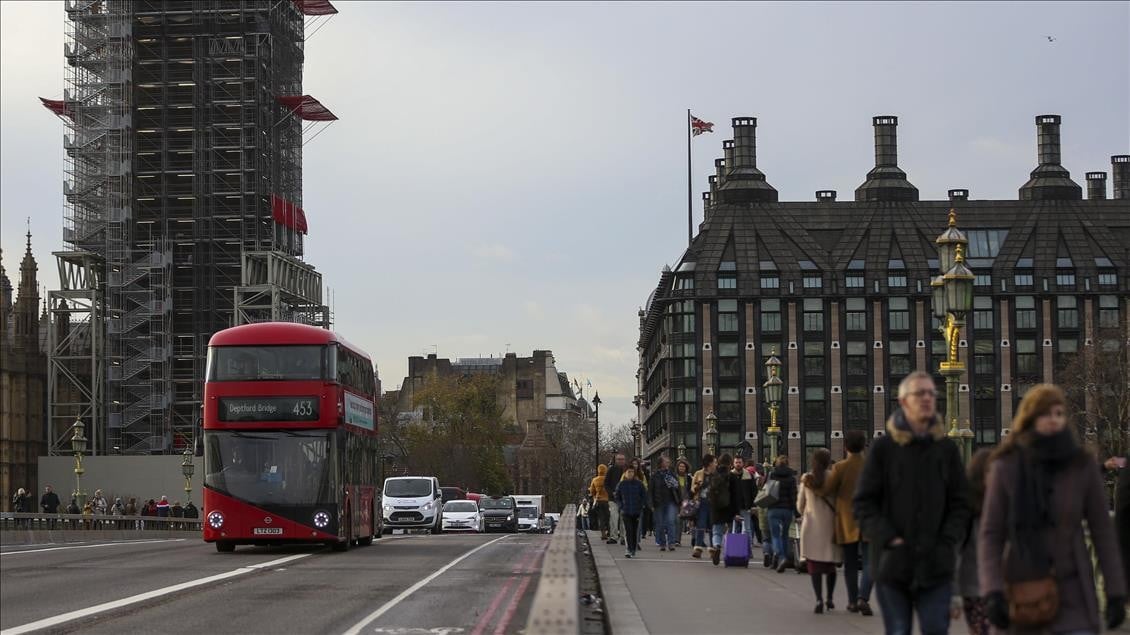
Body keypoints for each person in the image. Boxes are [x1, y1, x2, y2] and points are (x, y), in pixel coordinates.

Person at [979, 384, 1126, 635]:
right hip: (1023, 592)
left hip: (1074, 594)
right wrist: (992, 592)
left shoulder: (1082, 465)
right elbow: (991, 534)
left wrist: (1115, 592)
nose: (1054, 420)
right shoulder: (1006, 466)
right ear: (1030, 417)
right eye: (1046, 414)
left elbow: (1102, 531)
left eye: (1059, 413)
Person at [854, 371, 970, 635]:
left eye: (931, 393)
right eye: (920, 393)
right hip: (893, 564)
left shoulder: (946, 449)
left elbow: (961, 502)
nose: (928, 398)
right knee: (898, 630)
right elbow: (863, 503)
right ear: (904, 401)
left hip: (936, 563)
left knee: (935, 628)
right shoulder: (884, 449)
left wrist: (948, 538)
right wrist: (888, 538)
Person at [814, 429, 872, 615]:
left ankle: (853, 601)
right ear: (864, 445)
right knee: (871, 562)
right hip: (870, 519)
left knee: (851, 563)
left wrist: (811, 485)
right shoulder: (873, 467)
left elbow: (827, 490)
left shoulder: (840, 467)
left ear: (845, 446)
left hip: (847, 520)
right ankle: (864, 597)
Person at [953, 448, 992, 635]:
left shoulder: (1004, 502)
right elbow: (956, 550)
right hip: (975, 587)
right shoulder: (968, 508)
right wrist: (953, 594)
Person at [799, 448, 842, 614]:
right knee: (830, 564)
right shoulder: (834, 477)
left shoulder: (806, 478)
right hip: (830, 525)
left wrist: (805, 513)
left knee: (814, 565)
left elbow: (800, 504)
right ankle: (830, 598)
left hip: (812, 525)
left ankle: (819, 599)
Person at [706, 453, 741, 566]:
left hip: (716, 508)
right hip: (729, 508)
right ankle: (729, 553)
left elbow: (709, 494)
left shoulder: (713, 476)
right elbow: (736, 496)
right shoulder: (732, 477)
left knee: (717, 531)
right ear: (731, 464)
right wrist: (736, 512)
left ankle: (716, 546)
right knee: (731, 531)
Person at [766, 455, 799, 572]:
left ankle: (779, 554)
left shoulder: (772, 475)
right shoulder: (791, 478)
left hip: (774, 509)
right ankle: (782, 559)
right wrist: (797, 513)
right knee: (784, 535)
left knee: (775, 535)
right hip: (787, 510)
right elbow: (794, 497)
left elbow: (767, 491)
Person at [614, 465, 648, 558]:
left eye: (632, 472)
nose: (630, 474)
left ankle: (633, 547)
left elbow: (644, 496)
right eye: (628, 472)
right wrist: (621, 506)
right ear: (625, 473)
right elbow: (617, 496)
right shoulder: (621, 484)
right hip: (626, 511)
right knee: (628, 530)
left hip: (637, 511)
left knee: (634, 530)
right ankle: (628, 549)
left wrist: (641, 505)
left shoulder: (639, 484)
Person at [649, 456, 680, 551]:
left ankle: (671, 543)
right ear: (661, 463)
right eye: (666, 462)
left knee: (671, 522)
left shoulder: (672, 475)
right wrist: (651, 504)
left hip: (671, 501)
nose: (668, 463)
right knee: (660, 524)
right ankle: (662, 543)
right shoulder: (655, 476)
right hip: (659, 502)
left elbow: (677, 488)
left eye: (668, 462)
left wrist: (680, 501)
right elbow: (651, 490)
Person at [690, 454, 716, 559]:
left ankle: (712, 549)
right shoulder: (698, 473)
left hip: (713, 503)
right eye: (714, 462)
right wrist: (697, 485)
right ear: (709, 463)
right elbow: (692, 489)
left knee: (711, 526)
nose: (716, 464)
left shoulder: (716, 474)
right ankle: (698, 548)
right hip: (701, 503)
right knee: (701, 525)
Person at [732, 456, 756, 551]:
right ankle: (735, 550)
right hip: (734, 507)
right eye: (736, 462)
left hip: (746, 506)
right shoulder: (730, 476)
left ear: (743, 463)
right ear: (733, 464)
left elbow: (753, 491)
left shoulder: (749, 476)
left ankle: (748, 550)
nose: (738, 464)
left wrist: (754, 505)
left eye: (739, 462)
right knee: (735, 530)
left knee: (747, 529)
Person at [603, 454, 626, 545]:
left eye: (622, 459)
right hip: (613, 498)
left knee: (623, 519)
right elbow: (606, 483)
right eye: (619, 459)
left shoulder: (627, 470)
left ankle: (623, 537)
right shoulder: (611, 470)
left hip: (625, 498)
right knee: (614, 517)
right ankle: (613, 536)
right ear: (615, 460)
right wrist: (611, 492)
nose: (621, 461)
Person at [588, 464, 610, 541]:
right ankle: (610, 531)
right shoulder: (608, 479)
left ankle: (603, 534)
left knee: (601, 518)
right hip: (608, 500)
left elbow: (592, 491)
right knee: (608, 517)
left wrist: (594, 496)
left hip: (599, 500)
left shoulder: (595, 480)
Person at [675, 459, 693, 544]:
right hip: (677, 500)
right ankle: (677, 540)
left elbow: (691, 489)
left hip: (686, 501)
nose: (682, 468)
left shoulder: (689, 478)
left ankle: (695, 539)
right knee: (678, 520)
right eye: (680, 466)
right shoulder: (675, 477)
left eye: (683, 467)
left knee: (690, 520)